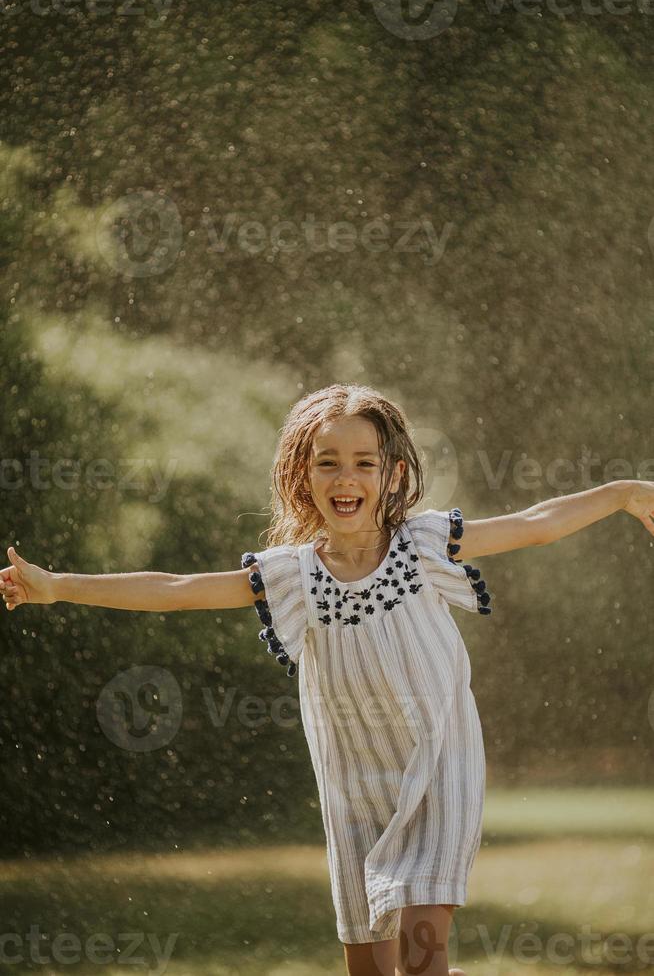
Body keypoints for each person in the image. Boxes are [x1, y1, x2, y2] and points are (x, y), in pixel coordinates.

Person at [2, 382, 652, 976]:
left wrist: (623, 493)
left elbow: (536, 527)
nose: (347, 477)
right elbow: (175, 589)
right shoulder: (289, 575)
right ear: (299, 476)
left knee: (424, 959)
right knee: (369, 971)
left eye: (364, 462)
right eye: (327, 462)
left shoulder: (424, 545)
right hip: (353, 785)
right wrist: (56, 586)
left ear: (393, 473)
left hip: (440, 767)